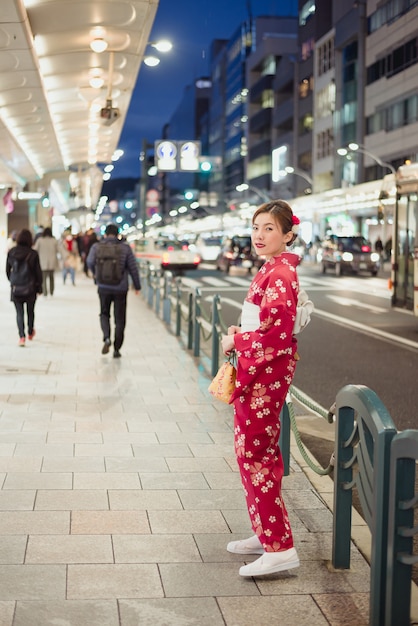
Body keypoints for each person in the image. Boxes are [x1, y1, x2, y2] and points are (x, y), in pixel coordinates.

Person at [220, 199, 301, 578]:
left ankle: (280, 547)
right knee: (252, 453)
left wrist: (236, 343)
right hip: (262, 374)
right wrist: (242, 332)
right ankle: (264, 531)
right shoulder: (272, 268)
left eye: (269, 228)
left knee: (257, 455)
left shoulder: (281, 274)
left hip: (265, 378)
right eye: (256, 227)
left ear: (287, 234)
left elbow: (277, 336)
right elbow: (264, 326)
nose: (259, 235)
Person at [87, 223, 141, 358]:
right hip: (120, 288)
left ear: (105, 234)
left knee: (104, 313)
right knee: (120, 319)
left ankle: (106, 338)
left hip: (103, 287)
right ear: (118, 235)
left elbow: (89, 261)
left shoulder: (97, 246)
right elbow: (133, 268)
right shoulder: (125, 248)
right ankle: (117, 349)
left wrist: (96, 274)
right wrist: (137, 286)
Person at [6, 228, 43, 346]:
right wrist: (39, 287)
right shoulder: (33, 253)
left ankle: (21, 337)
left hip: (16, 287)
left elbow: (7, 270)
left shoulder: (11, 252)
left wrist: (13, 281)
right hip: (30, 287)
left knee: (19, 313)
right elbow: (38, 272)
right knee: (30, 311)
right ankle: (30, 331)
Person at [34, 227, 59, 296]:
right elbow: (59, 249)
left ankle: (45, 293)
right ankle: (51, 292)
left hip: (43, 262)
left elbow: (35, 249)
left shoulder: (40, 240)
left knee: (43, 278)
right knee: (51, 278)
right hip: (52, 262)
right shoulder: (54, 240)